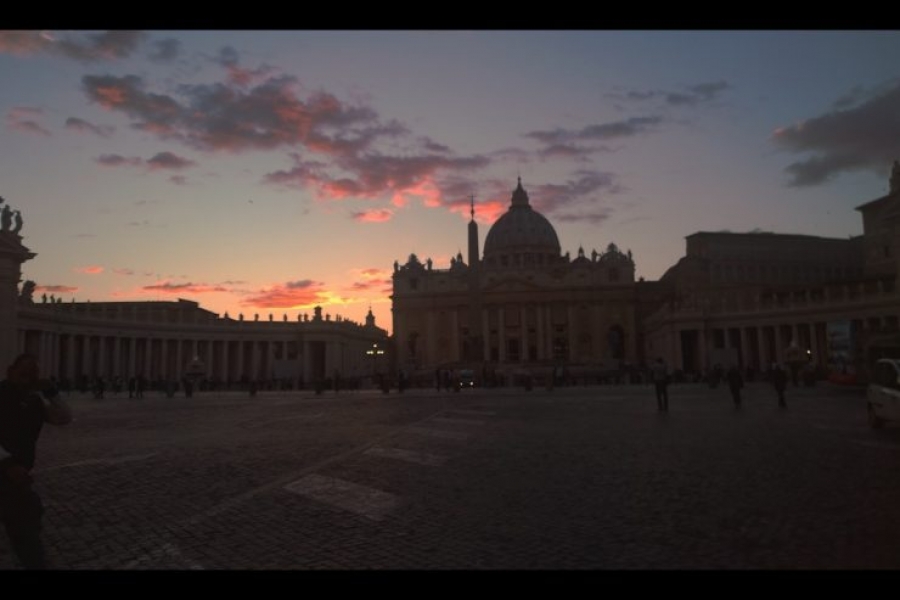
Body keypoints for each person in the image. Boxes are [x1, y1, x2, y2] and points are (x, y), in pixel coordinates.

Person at [0, 354, 73, 569]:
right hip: (7, 471)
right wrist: (7, 463)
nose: (28, 380)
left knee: (27, 533)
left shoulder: (34, 401)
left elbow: (64, 417)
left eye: (32, 376)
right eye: (24, 374)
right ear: (10, 371)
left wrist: (52, 393)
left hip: (17, 479)